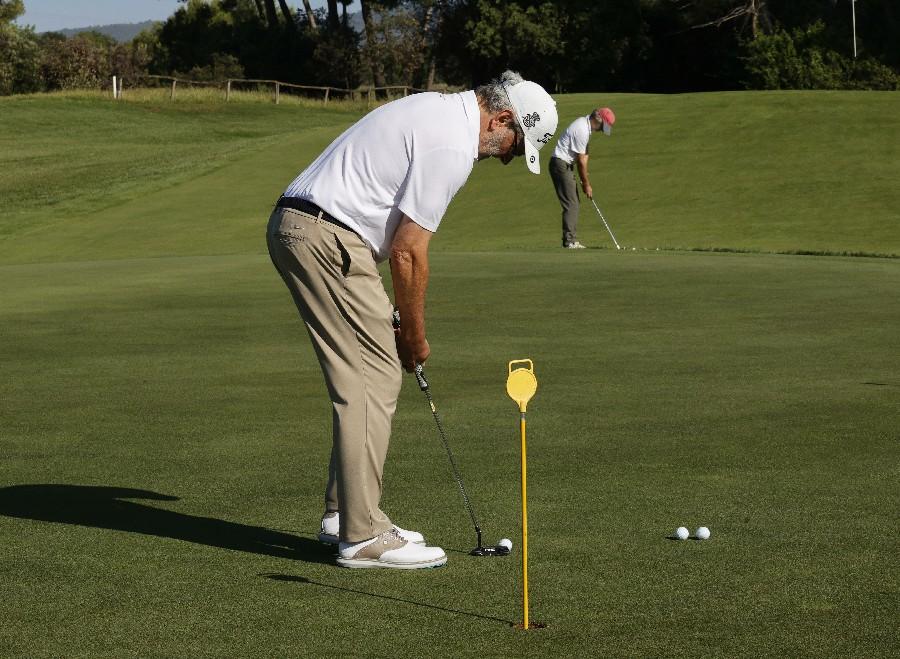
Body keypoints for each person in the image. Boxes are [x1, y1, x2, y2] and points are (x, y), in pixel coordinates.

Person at [266, 71, 558, 569]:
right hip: (327, 236)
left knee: (365, 376)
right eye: (516, 145)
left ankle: (343, 515)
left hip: (311, 228)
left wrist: (399, 321)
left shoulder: (439, 111)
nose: (509, 157)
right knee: (373, 377)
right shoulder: (452, 144)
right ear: (502, 119)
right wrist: (415, 338)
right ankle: (362, 535)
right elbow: (409, 251)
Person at [549, 106, 616, 248]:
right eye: (602, 126)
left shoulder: (585, 126)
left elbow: (584, 156)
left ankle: (571, 240)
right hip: (560, 164)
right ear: (598, 120)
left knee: (573, 202)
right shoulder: (582, 130)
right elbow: (580, 161)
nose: (601, 130)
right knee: (572, 203)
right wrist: (586, 184)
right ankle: (570, 242)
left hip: (564, 165)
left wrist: (585, 179)